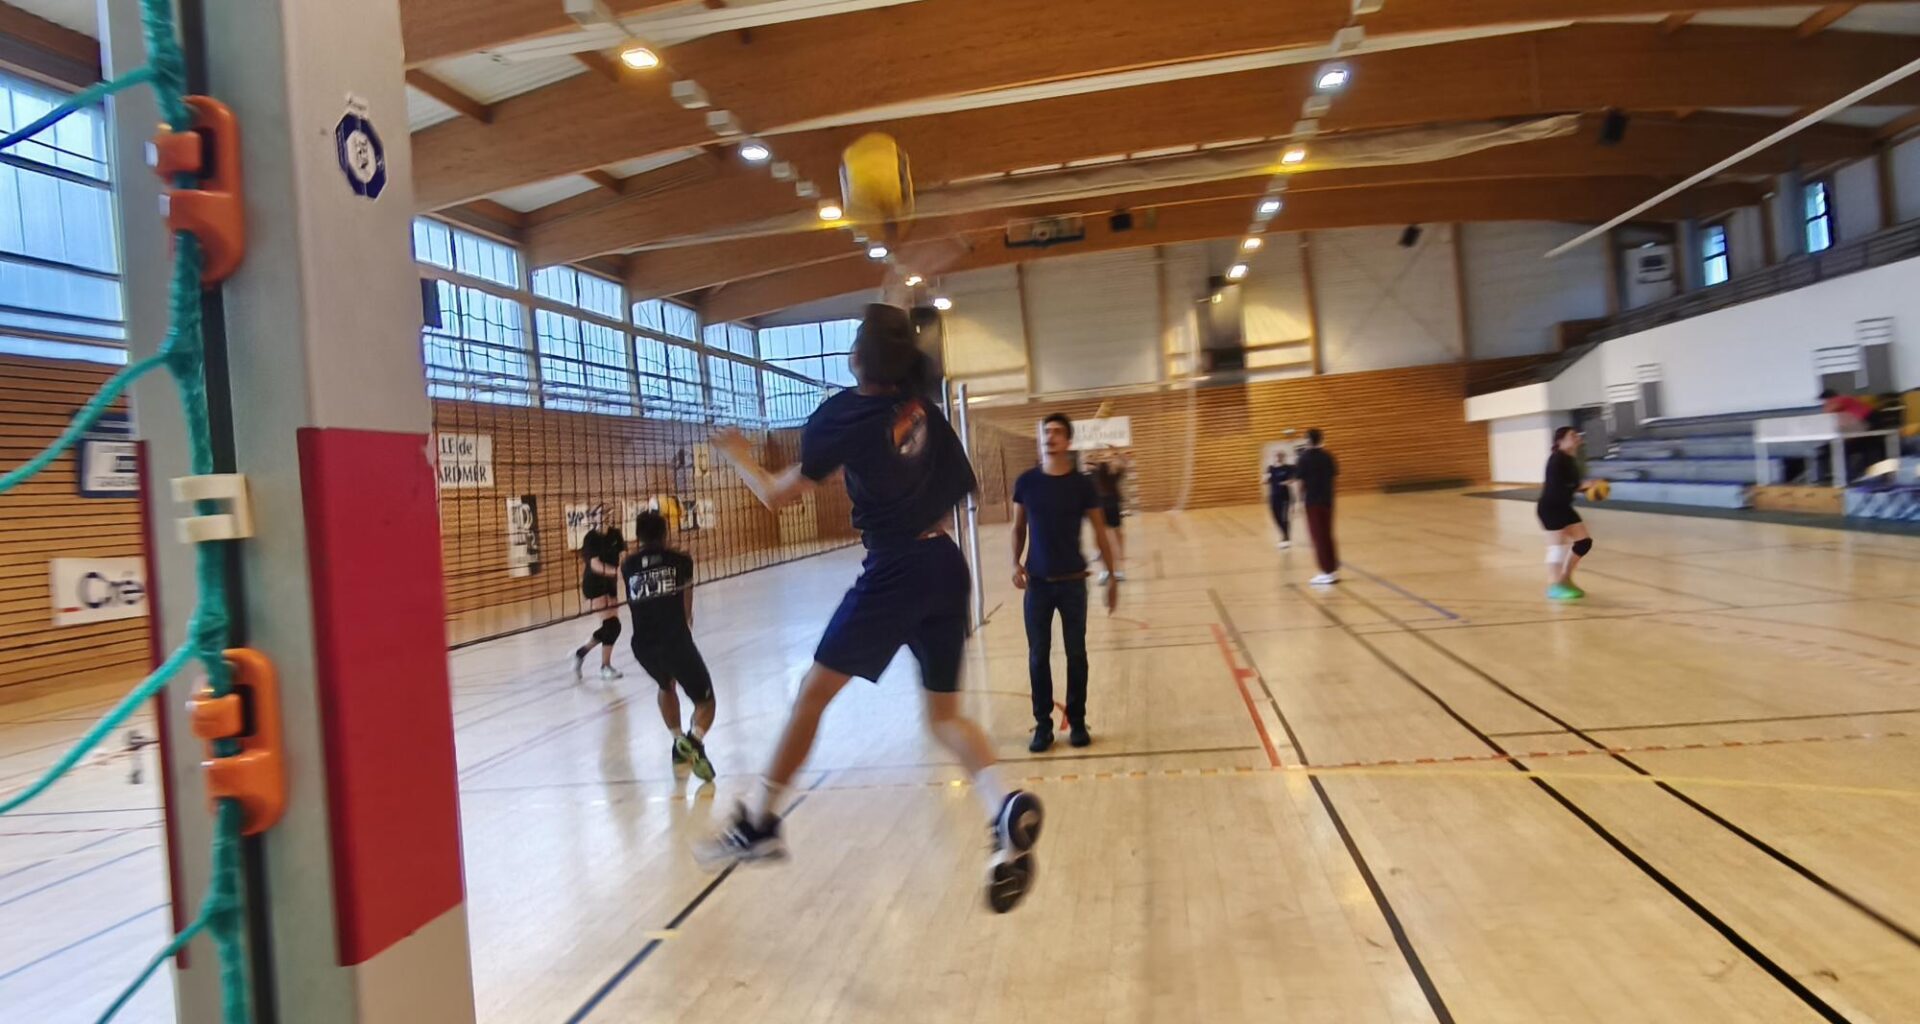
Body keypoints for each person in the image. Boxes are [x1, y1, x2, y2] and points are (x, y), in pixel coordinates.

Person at [699, 303, 1044, 914]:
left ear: (857, 358)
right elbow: (949, 488)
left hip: (896, 569)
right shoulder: (924, 413)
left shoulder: (845, 414)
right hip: (946, 565)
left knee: (811, 694)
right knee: (945, 719)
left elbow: (779, 496)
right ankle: (1003, 807)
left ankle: (759, 825)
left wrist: (736, 453)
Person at [1012, 413, 1120, 753]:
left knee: (1076, 653)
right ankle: (1042, 726)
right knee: (1037, 656)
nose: (1050, 436)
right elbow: (1018, 528)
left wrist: (1112, 576)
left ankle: (1076, 721)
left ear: (1068, 442)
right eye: (1046, 432)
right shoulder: (1026, 482)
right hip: (1038, 585)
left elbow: (1100, 531)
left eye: (1057, 432)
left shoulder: (1083, 485)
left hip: (1073, 583)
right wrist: (1014, 563)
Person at [622, 509, 715, 782]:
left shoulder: (627, 566)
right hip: (674, 641)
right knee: (706, 701)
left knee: (666, 685)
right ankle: (694, 740)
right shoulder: (681, 561)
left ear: (637, 536)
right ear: (665, 534)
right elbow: (687, 609)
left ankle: (677, 743)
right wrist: (684, 631)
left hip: (642, 646)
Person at [1539, 426, 1594, 601]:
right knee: (1557, 548)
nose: (1576, 437)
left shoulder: (1571, 461)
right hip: (1551, 508)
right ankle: (1554, 586)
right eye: (1572, 435)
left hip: (1563, 507)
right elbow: (1558, 489)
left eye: (1577, 434)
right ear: (1560, 441)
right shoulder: (1556, 460)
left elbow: (1572, 486)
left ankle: (1565, 578)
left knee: (1584, 542)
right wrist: (1580, 486)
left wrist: (1590, 488)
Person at [572, 521, 626, 680]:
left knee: (611, 626)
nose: (605, 518)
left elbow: (622, 556)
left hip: (610, 584)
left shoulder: (615, 534)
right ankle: (605, 667)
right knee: (613, 625)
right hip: (594, 584)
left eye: (608, 514)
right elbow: (595, 565)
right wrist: (616, 572)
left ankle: (580, 653)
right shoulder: (591, 538)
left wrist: (624, 569)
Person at [1296, 428, 1339, 585]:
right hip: (1328, 501)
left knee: (1318, 537)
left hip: (1313, 502)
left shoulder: (1304, 458)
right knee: (1327, 535)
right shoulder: (1328, 457)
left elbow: (1301, 482)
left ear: (1307, 440)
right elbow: (1333, 477)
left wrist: (1298, 502)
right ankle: (1332, 570)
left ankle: (1325, 572)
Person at [1088, 449, 1129, 582]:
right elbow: (1089, 462)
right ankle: (1104, 569)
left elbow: (1123, 462)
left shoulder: (1114, 473)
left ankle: (1118, 565)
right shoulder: (1096, 472)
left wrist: (1116, 452)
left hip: (1112, 505)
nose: (1106, 459)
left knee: (1116, 533)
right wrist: (1096, 455)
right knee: (1101, 536)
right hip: (1101, 506)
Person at [1264, 449, 1296, 549]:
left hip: (1285, 496)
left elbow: (1294, 477)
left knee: (1284, 517)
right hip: (1273, 496)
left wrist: (1288, 481)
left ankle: (1285, 537)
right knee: (1276, 517)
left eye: (1280, 456)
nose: (1278, 458)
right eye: (1276, 456)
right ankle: (1284, 534)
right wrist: (1265, 479)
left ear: (1283, 457)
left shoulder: (1288, 468)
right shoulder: (1270, 468)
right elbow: (1266, 480)